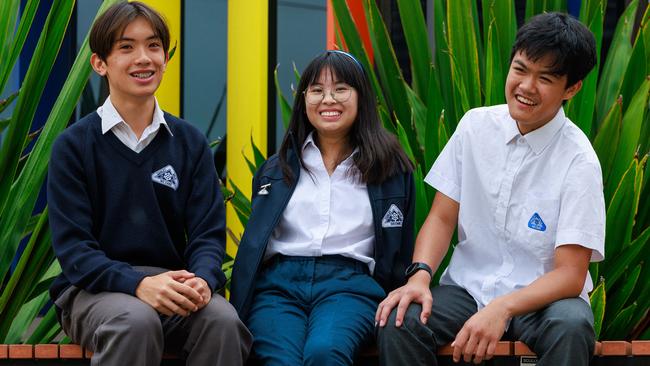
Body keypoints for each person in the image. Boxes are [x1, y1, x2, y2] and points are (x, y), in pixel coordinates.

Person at [376, 12, 605, 366]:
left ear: (571, 89)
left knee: (572, 324)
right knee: (401, 319)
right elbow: (441, 217)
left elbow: (570, 275)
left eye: (545, 78)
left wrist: (502, 308)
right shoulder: (475, 127)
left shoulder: (579, 160)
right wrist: (419, 277)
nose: (526, 87)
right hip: (469, 289)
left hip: (543, 302)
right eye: (520, 69)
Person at [47, 2, 252, 365]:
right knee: (135, 321)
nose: (143, 58)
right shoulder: (74, 146)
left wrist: (203, 280)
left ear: (165, 57)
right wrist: (138, 285)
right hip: (94, 289)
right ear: (100, 63)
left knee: (223, 321)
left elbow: (207, 235)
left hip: (171, 284)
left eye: (153, 46)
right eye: (126, 47)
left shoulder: (189, 142)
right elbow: (75, 250)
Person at [230, 50, 415, 365]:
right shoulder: (276, 169)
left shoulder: (391, 169)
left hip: (349, 286)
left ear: (361, 97)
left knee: (325, 353)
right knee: (280, 361)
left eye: (341, 89)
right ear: (304, 100)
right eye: (316, 90)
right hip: (279, 286)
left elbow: (401, 248)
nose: (328, 99)